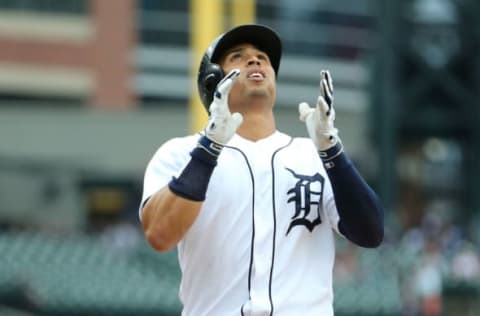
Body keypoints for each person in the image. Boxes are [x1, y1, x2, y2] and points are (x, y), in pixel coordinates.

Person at [139, 24, 384, 316]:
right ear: (212, 81)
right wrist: (209, 148)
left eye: (262, 57)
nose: (255, 61)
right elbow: (159, 234)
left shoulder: (314, 154)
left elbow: (370, 233)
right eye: (238, 56)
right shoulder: (181, 153)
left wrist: (332, 151)